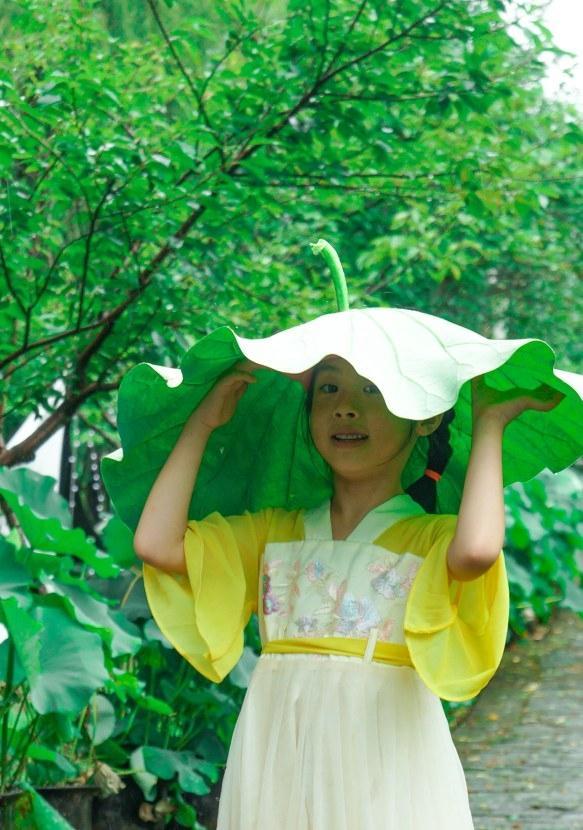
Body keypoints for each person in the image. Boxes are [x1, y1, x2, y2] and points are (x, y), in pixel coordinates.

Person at [133, 354, 564, 829]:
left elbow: (478, 551)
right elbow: (156, 544)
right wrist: (201, 424)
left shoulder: (429, 538)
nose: (345, 407)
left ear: (425, 418)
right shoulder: (274, 532)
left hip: (382, 752)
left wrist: (489, 426)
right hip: (278, 753)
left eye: (373, 389)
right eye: (329, 389)